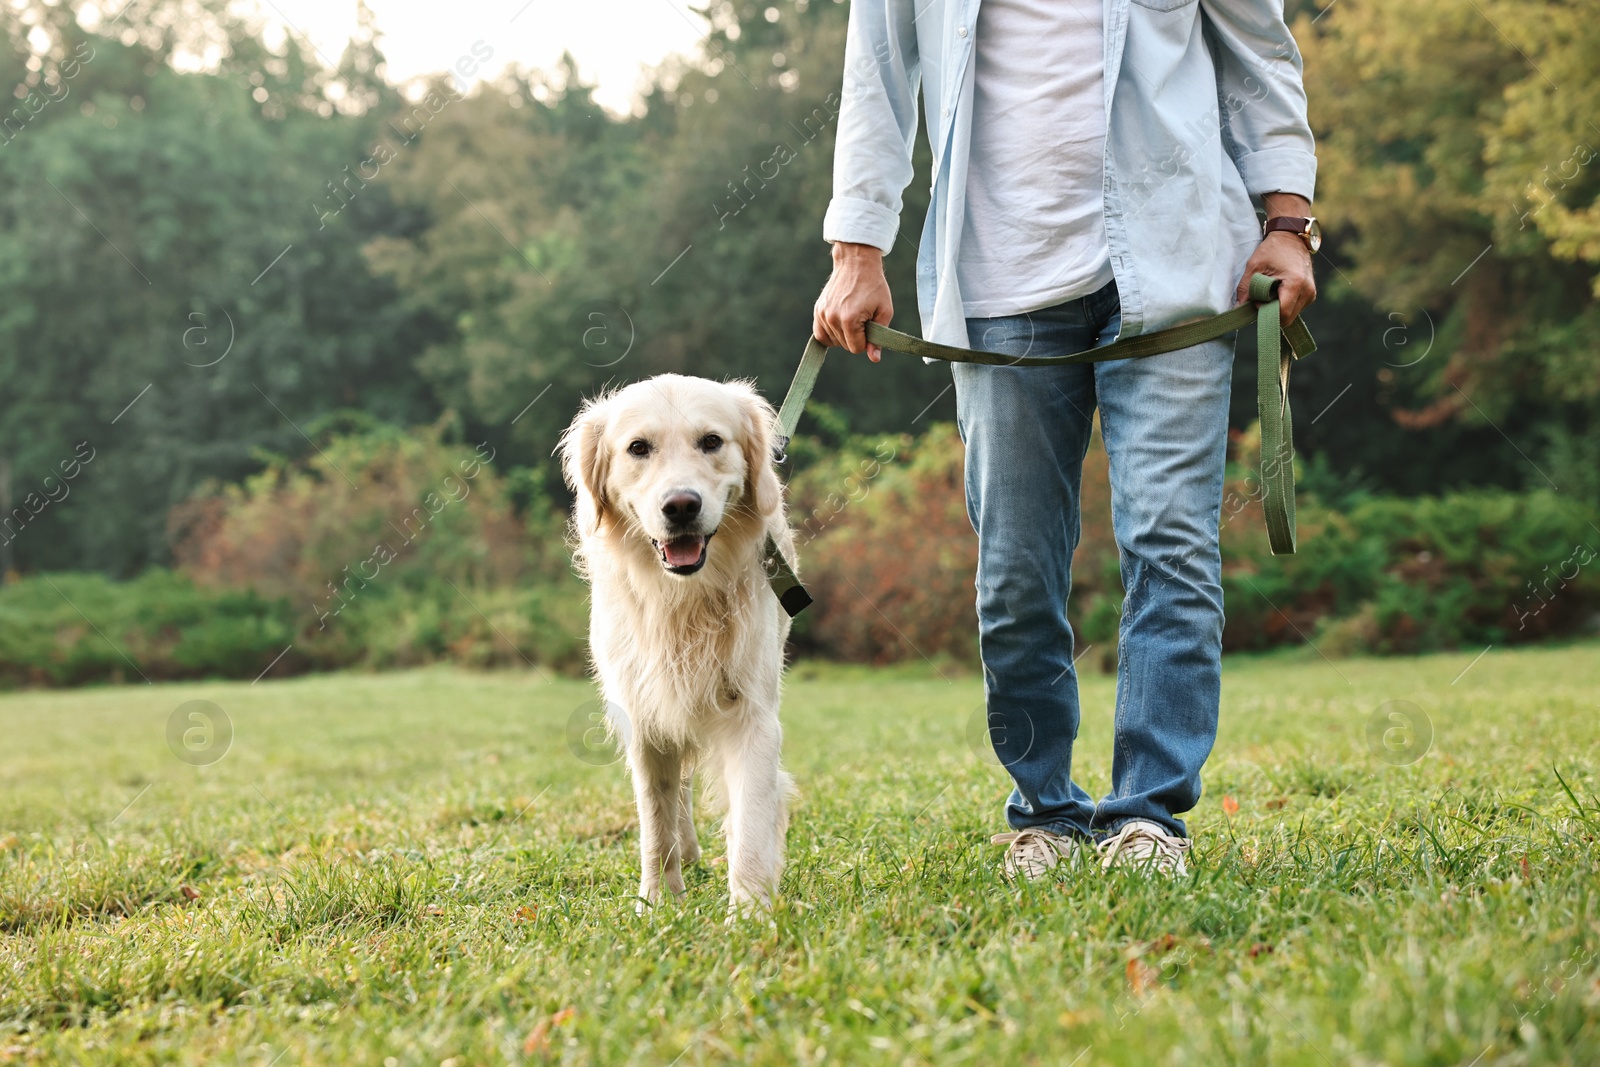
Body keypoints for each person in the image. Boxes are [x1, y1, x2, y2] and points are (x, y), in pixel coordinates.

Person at [813, 0, 1319, 879]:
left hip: (1176, 268)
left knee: (1172, 545)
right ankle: (1045, 814)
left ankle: (1148, 817)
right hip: (998, 287)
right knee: (1014, 570)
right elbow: (878, 71)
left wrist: (1287, 223)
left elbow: (1259, 55)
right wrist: (857, 247)